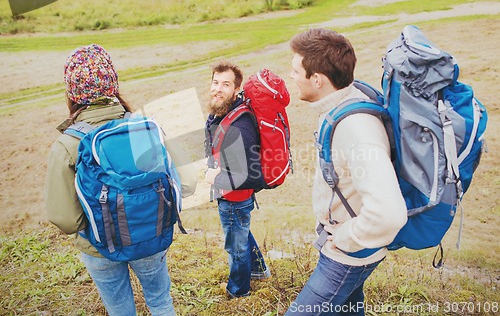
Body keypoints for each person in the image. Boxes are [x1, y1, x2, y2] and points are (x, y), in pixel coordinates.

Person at [45, 44, 196, 316]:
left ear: (72, 91)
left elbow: (64, 218)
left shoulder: (68, 144)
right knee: (161, 303)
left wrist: (99, 225)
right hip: (151, 237)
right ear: (113, 82)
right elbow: (187, 183)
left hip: (98, 248)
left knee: (120, 311)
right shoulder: (145, 126)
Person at [285, 28, 407, 315]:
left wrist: (344, 239)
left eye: (295, 70)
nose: (290, 76)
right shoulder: (343, 103)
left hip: (347, 255)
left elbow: (389, 214)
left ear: (317, 79)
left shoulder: (356, 129)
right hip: (350, 247)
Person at [204, 60, 270, 299]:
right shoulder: (224, 113)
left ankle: (238, 290)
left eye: (225, 84)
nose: (218, 89)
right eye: (215, 82)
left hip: (234, 199)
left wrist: (216, 177)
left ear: (236, 90)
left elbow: (251, 176)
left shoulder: (239, 126)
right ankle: (259, 270)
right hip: (233, 198)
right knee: (241, 232)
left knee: (236, 246)